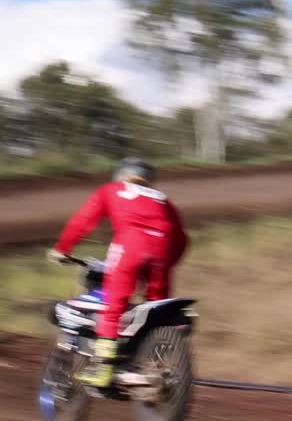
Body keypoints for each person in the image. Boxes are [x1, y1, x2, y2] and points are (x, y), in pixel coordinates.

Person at [47, 158, 189, 388]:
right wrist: (166, 263)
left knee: (115, 302)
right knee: (156, 309)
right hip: (163, 249)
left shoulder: (111, 189)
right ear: (148, 179)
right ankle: (152, 360)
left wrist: (62, 249)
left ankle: (103, 367)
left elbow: (83, 221)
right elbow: (182, 239)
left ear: (121, 174)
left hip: (131, 244)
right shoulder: (162, 199)